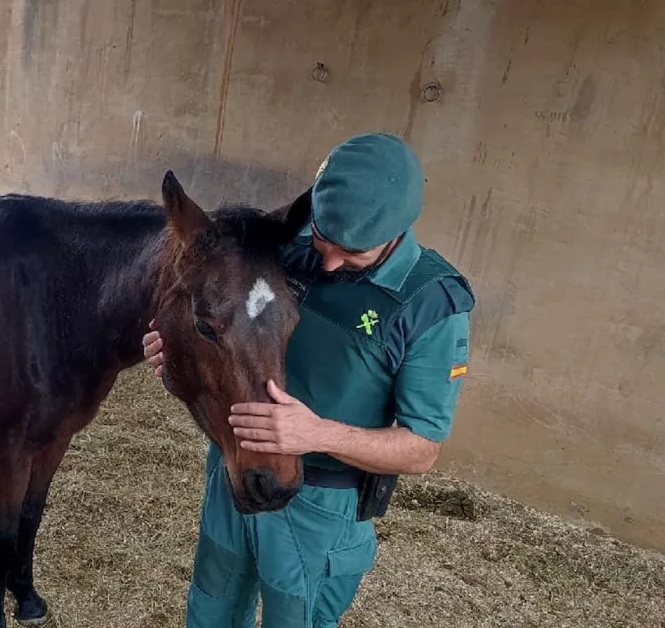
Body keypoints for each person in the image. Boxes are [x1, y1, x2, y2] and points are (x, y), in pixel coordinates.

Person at [142, 132, 475, 627]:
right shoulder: (286, 242)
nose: (329, 263)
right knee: (210, 608)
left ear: (397, 233)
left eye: (352, 253)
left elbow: (422, 448)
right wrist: (176, 352)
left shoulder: (430, 305)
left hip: (322, 501)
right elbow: (223, 318)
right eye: (324, 241)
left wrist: (316, 434)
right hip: (235, 466)